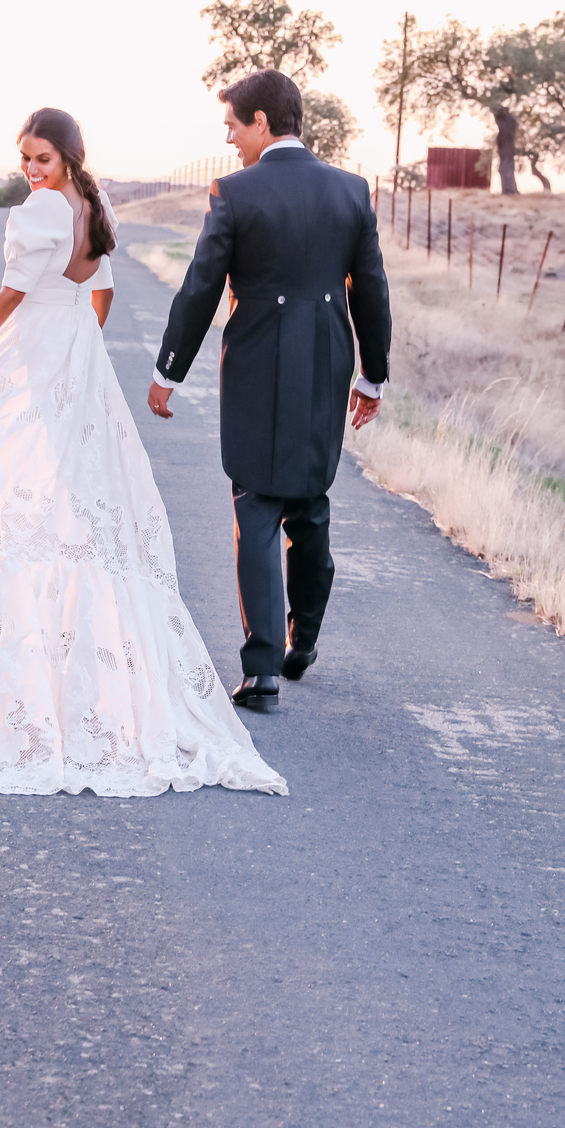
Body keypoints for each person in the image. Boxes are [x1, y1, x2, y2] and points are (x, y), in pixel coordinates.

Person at [0, 106, 286, 796]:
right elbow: (101, 294)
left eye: (42, 158)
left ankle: (31, 657)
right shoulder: (94, 206)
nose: (30, 170)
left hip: (43, 348)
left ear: (68, 155)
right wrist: (81, 345)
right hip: (77, 356)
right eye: (25, 158)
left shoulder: (42, 211)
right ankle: (77, 655)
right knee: (74, 498)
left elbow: (12, 295)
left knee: (19, 487)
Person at [147, 70, 391, 709]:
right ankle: (302, 638)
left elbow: (201, 286)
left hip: (256, 365)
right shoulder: (351, 190)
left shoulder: (234, 192)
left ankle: (262, 674)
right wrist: (373, 375)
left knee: (255, 504)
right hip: (327, 363)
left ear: (261, 121)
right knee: (309, 503)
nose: (229, 139)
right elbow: (371, 288)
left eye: (232, 125)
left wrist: (168, 370)